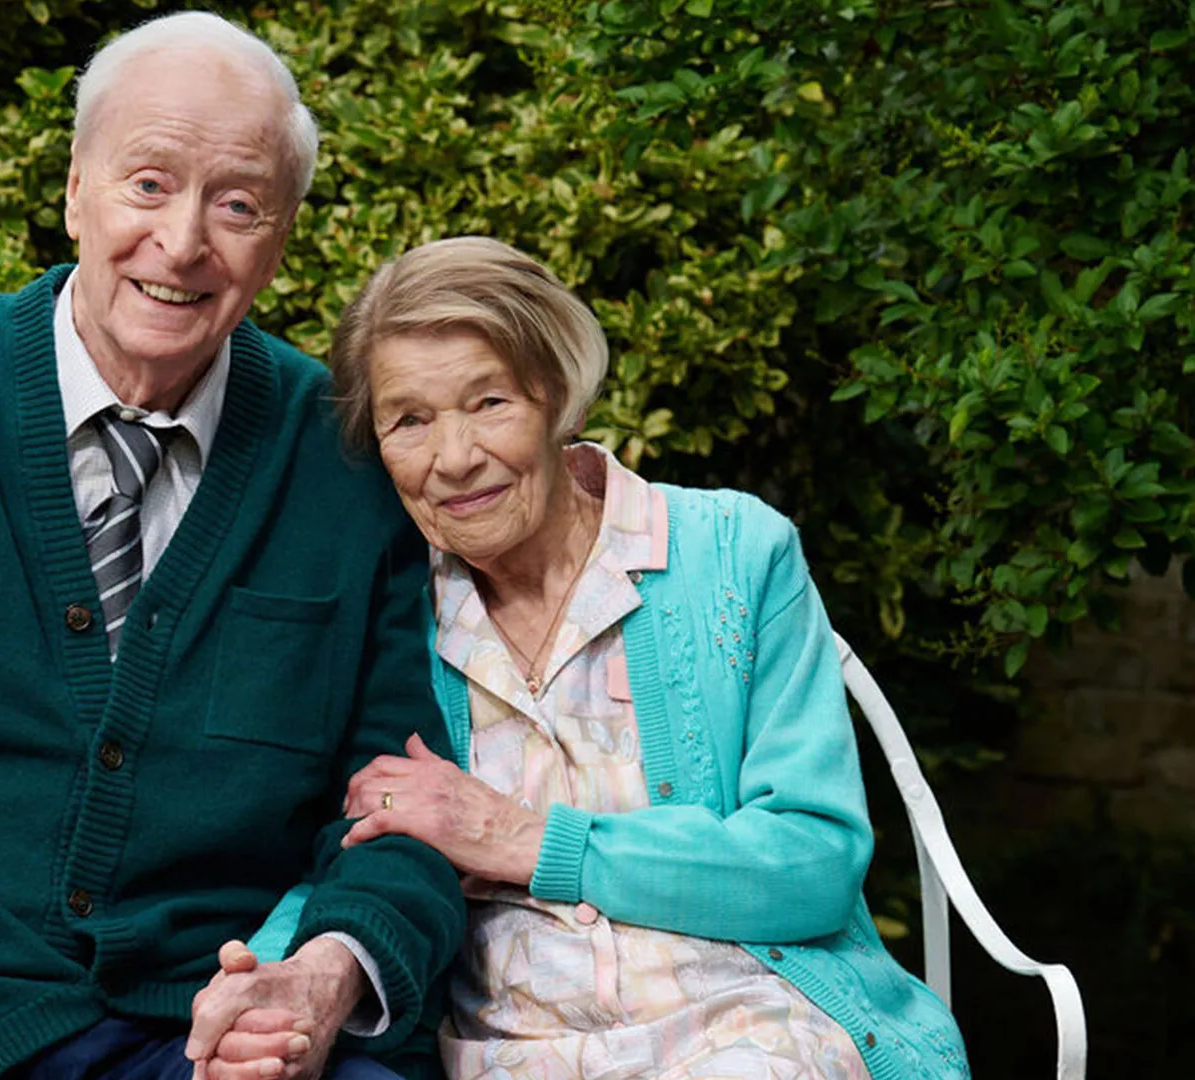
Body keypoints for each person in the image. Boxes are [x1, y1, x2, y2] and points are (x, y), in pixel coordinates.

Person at [0, 15, 464, 1080]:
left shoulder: (340, 454)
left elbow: (405, 797)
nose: (181, 244)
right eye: (148, 184)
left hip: (217, 1031)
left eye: (237, 205)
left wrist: (320, 976)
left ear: (282, 234)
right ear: (76, 187)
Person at [232, 236, 968, 1079]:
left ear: (556, 396)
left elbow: (811, 867)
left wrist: (521, 838)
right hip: (507, 1058)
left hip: (754, 1032)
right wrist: (282, 978)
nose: (455, 457)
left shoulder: (733, 555)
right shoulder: (388, 610)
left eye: (489, 402)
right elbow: (352, 851)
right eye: (410, 420)